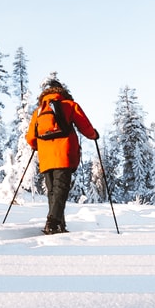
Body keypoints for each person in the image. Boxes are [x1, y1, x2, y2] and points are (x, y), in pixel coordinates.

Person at [25, 76, 98, 235]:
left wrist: (39, 146)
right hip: (64, 153)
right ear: (62, 91)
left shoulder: (38, 111)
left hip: (45, 158)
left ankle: (58, 225)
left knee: (52, 191)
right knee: (61, 189)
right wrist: (94, 135)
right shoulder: (69, 105)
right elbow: (84, 126)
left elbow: (31, 137)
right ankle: (52, 223)